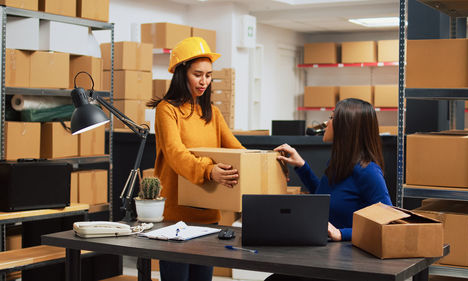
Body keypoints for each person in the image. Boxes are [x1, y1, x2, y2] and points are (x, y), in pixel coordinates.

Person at [147, 37, 244, 281]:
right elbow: (176, 154)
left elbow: (236, 149)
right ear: (182, 73)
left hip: (208, 215)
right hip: (175, 216)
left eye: (209, 75)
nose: (204, 82)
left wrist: (266, 161)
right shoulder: (167, 109)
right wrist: (209, 170)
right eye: (198, 74)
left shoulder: (212, 112)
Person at [267, 98, 392, 281]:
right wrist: (301, 166)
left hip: (347, 265)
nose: (326, 123)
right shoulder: (338, 163)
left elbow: (388, 223)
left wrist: (342, 233)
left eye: (331, 117)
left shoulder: (368, 172)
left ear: (346, 127)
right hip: (325, 257)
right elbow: (324, 198)